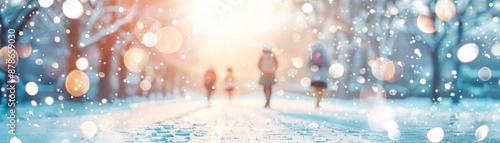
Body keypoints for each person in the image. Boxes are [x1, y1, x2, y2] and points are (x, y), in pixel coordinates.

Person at [308, 42, 331, 108]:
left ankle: (317, 99)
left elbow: (308, 63)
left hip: (314, 74)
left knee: (316, 88)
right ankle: (318, 100)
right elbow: (328, 63)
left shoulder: (312, 53)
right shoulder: (324, 53)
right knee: (321, 89)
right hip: (322, 74)